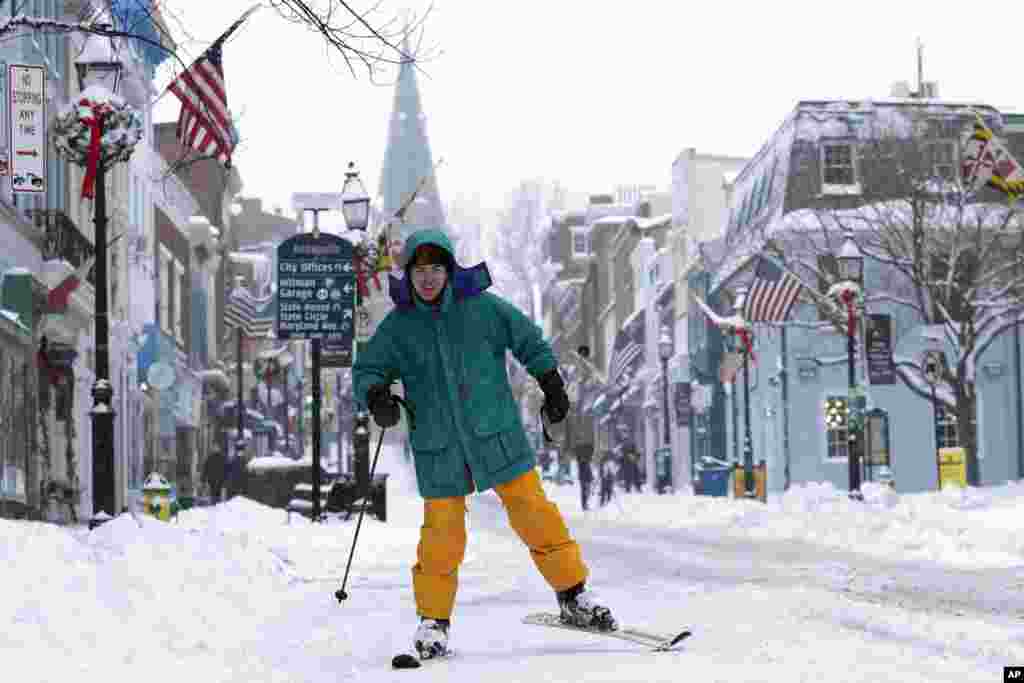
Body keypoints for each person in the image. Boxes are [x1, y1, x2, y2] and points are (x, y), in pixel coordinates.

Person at [353, 228, 617, 661]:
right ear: (410, 274)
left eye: (437, 268)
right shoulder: (400, 326)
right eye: (420, 270)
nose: (428, 278)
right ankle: (433, 620)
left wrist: (549, 380)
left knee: (535, 512)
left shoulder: (482, 309)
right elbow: (368, 368)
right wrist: (377, 396)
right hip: (438, 445)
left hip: (496, 433)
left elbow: (528, 338)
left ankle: (573, 594)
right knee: (441, 534)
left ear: (450, 269)